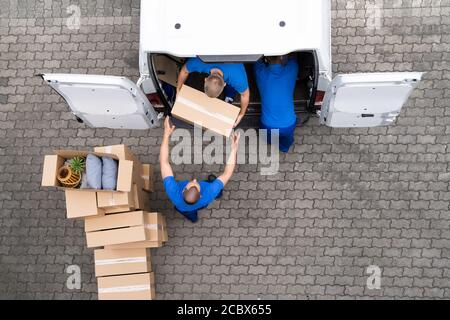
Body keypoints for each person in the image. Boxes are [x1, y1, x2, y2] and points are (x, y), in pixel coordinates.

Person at [160, 116, 241, 222]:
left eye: (191, 183)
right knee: (215, 186)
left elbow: (164, 162)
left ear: (184, 190)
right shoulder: (208, 194)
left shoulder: (173, 191)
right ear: (201, 195)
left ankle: (193, 218)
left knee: (187, 211)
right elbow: (227, 173)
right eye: (196, 184)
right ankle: (217, 194)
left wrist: (166, 135)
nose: (194, 180)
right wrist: (234, 149)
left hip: (182, 207)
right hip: (202, 203)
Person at [176, 58, 250, 127]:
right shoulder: (198, 62)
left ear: (205, 79)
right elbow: (244, 95)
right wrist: (178, 90)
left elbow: (245, 95)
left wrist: (242, 113)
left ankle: (229, 95)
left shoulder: (238, 77)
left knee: (233, 84)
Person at [254, 55, 299, 153]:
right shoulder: (292, 69)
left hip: (268, 125)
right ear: (281, 57)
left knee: (267, 136)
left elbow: (256, 60)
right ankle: (284, 148)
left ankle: (270, 142)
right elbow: (293, 56)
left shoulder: (260, 72)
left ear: (267, 59)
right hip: (288, 124)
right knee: (287, 140)